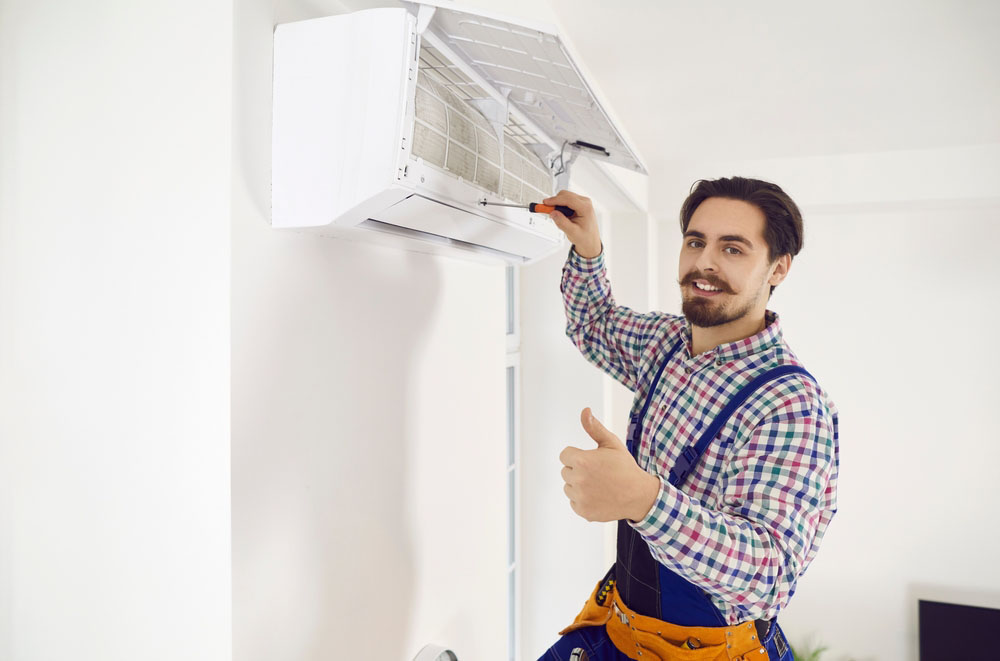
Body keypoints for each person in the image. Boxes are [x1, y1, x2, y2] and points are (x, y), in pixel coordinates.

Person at [537, 177, 840, 661]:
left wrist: (643, 499)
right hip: (622, 627)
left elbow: (769, 577)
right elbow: (592, 323)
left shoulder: (790, 404)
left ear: (778, 268)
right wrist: (588, 245)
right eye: (696, 241)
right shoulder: (668, 343)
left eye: (733, 249)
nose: (704, 263)